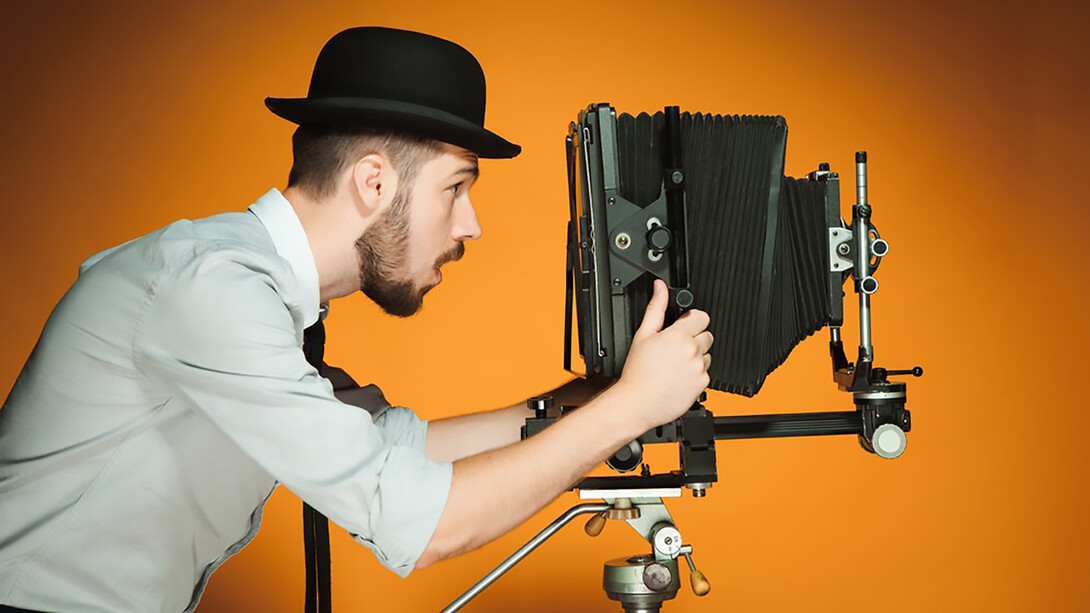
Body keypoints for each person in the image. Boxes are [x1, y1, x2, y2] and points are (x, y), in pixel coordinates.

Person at [0, 27, 712, 612]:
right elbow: (423, 521)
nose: (471, 224)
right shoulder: (211, 289)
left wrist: (577, 402)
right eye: (456, 188)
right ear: (374, 182)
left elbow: (398, 447)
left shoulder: (263, 299)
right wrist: (627, 410)